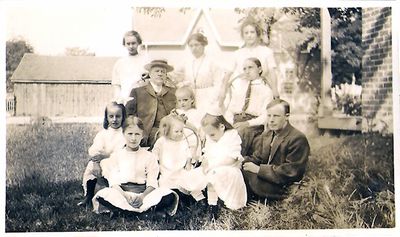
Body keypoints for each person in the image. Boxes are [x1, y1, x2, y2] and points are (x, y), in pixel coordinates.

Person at [92, 116, 179, 218]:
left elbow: (152, 182)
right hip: (122, 194)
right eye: (130, 134)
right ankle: (147, 212)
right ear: (123, 134)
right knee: (104, 194)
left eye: (137, 134)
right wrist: (125, 196)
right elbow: (114, 182)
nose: (133, 138)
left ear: (142, 135)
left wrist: (142, 197)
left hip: (144, 194)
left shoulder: (149, 156)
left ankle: (124, 212)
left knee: (167, 195)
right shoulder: (117, 155)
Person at [242, 99, 310, 201]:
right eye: (269, 116)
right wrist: (239, 161)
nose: (271, 120)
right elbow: (257, 158)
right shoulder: (268, 134)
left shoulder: (297, 138)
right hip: (266, 179)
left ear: (286, 117)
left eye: (276, 116)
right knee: (234, 170)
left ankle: (239, 203)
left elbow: (291, 172)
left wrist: (258, 169)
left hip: (282, 187)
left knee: (245, 175)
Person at [196, 108, 247, 219]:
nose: (210, 137)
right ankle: (211, 205)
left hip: (229, 169)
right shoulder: (211, 138)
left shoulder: (231, 136)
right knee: (200, 176)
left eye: (212, 134)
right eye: (208, 135)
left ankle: (219, 204)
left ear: (222, 127)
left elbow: (232, 159)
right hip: (213, 168)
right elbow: (207, 153)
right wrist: (205, 163)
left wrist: (213, 165)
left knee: (213, 174)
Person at [219, 17, 279, 107]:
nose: (249, 35)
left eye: (252, 32)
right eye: (246, 33)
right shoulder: (237, 53)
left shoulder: (266, 51)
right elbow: (227, 74)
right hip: (242, 90)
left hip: (262, 89)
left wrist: (275, 89)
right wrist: (223, 91)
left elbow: (272, 72)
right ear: (243, 35)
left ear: (257, 34)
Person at [77, 102, 126, 207]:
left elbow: (120, 152)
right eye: (111, 116)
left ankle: (110, 197)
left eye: (118, 116)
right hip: (101, 161)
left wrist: (106, 156)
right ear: (106, 118)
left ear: (123, 117)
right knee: (91, 167)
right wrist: (95, 162)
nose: (114, 119)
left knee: (109, 168)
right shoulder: (103, 134)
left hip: (117, 163)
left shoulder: (124, 134)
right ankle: (89, 196)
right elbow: (94, 150)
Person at [224, 57, 274, 156]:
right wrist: (229, 123)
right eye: (244, 69)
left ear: (259, 69)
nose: (247, 71)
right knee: (217, 128)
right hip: (235, 121)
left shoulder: (266, 90)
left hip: (252, 124)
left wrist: (247, 123)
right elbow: (230, 109)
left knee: (238, 134)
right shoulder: (239, 87)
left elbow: (265, 116)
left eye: (250, 68)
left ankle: (232, 162)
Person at [152, 114, 205, 204]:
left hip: (180, 169)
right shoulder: (161, 141)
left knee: (188, 179)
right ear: (167, 131)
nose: (180, 134)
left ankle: (199, 198)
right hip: (166, 171)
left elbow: (188, 153)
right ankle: (173, 197)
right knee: (165, 183)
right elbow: (154, 154)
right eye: (176, 131)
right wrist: (155, 163)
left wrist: (188, 163)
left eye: (181, 131)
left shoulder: (182, 141)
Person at [126, 59, 176, 148]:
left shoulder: (173, 92)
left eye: (163, 72)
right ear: (150, 74)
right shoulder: (137, 92)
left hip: (170, 129)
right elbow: (129, 115)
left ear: (166, 75)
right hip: (146, 131)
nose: (160, 74)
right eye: (157, 71)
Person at [173, 33, 224, 117]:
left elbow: (218, 83)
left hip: (208, 96)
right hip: (191, 97)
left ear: (203, 45)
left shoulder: (211, 62)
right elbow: (174, 74)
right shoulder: (187, 62)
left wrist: (212, 99)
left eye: (196, 45)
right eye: (191, 46)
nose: (194, 48)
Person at [112, 30, 148, 104]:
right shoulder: (120, 63)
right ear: (124, 44)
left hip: (142, 100)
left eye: (133, 43)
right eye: (128, 44)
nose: (131, 46)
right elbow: (116, 85)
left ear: (139, 43)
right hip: (125, 100)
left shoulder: (145, 61)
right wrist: (118, 99)